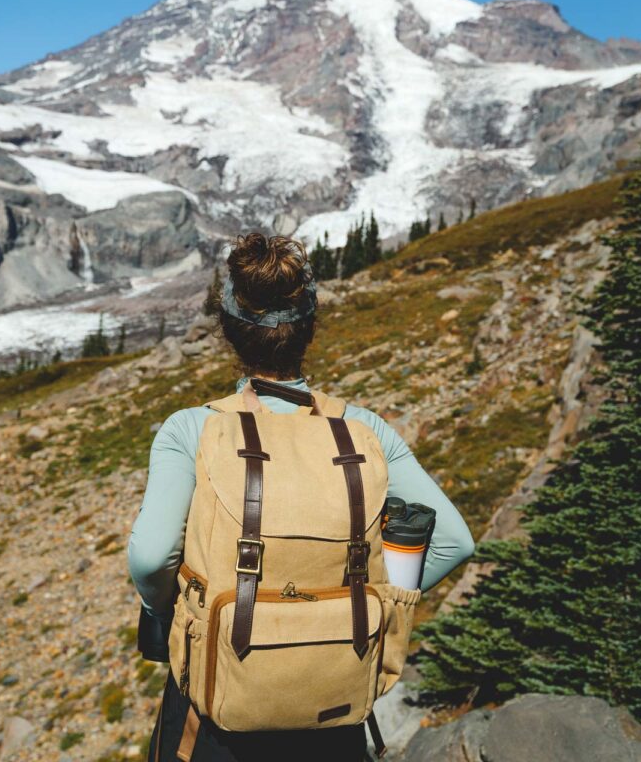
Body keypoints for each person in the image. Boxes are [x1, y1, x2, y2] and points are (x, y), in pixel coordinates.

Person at [127, 233, 475, 761]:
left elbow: (151, 556)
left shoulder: (192, 429)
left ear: (228, 331)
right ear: (309, 329)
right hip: (332, 708)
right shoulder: (363, 429)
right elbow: (454, 540)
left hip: (217, 717)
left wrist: (168, 611)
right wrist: (356, 609)